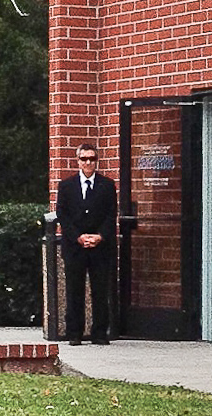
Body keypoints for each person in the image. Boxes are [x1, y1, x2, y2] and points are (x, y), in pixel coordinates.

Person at [56, 143, 117, 345]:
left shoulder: (107, 186)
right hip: (75, 247)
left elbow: (111, 215)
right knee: (74, 290)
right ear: (78, 161)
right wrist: (78, 237)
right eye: (84, 159)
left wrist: (100, 236)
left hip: (100, 247)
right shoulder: (66, 186)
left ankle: (100, 332)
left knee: (100, 290)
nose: (88, 163)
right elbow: (62, 215)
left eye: (92, 159)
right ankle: (74, 333)